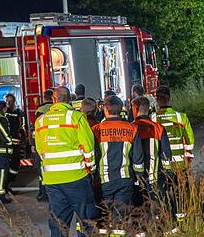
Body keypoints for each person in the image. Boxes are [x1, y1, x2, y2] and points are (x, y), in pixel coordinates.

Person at [34, 86, 98, 237]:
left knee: (58, 223)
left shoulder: (41, 121)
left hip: (52, 180)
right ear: (69, 99)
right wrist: (90, 169)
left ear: (54, 99)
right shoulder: (77, 117)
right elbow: (88, 148)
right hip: (77, 177)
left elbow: (40, 150)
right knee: (86, 220)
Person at [92, 96, 144, 233]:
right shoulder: (132, 128)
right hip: (125, 180)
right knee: (120, 218)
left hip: (103, 181)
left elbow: (93, 156)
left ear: (105, 109)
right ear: (121, 110)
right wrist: (139, 176)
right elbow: (138, 157)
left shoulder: (96, 129)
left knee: (104, 218)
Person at [153, 86, 195, 222]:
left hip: (161, 165)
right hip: (180, 163)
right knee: (180, 192)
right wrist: (188, 157)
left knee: (163, 193)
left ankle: (167, 219)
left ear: (156, 100)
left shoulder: (152, 119)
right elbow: (190, 140)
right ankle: (182, 219)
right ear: (170, 98)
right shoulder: (181, 117)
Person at [131, 96, 172, 209]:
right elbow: (166, 154)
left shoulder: (131, 128)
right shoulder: (159, 128)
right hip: (156, 176)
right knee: (159, 206)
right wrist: (167, 173)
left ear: (135, 109)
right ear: (148, 109)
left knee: (140, 209)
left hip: (136, 179)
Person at [34, 88, 55, 202]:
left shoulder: (40, 110)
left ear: (44, 98)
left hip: (43, 142)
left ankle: (43, 194)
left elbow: (37, 129)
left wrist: (33, 144)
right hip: (56, 141)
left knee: (42, 170)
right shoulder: (56, 108)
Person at [4, 93, 25, 192]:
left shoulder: (19, 112)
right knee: (5, 165)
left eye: (11, 101)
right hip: (6, 143)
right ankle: (5, 184)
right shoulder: (4, 112)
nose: (9, 103)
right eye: (7, 101)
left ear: (14, 101)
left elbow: (22, 126)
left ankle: (9, 182)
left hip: (15, 143)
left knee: (15, 165)